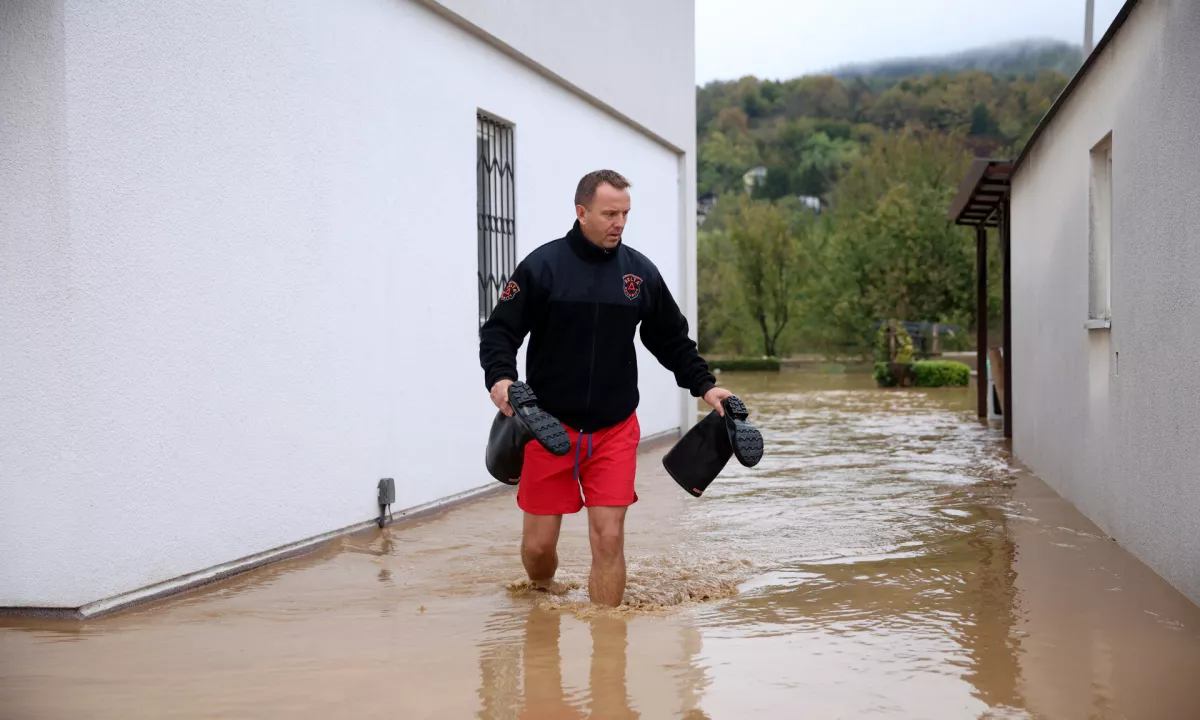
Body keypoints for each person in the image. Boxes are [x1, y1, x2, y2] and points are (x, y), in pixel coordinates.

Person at [479, 169, 732, 606]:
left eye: (625, 213)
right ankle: (540, 595)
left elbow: (672, 341)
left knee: (609, 537)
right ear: (581, 212)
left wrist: (707, 388)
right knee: (538, 549)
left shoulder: (640, 274)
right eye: (609, 213)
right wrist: (501, 378)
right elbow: (500, 332)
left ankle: (609, 647)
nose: (619, 222)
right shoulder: (543, 267)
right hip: (547, 426)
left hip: (614, 429)